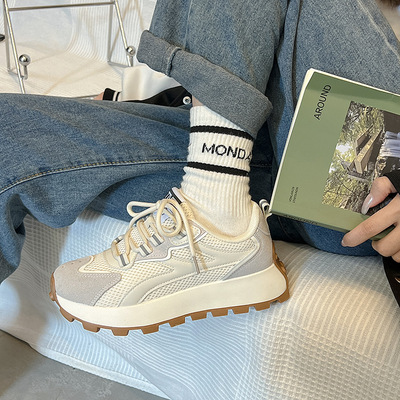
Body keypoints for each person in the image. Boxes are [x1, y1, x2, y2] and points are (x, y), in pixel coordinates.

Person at [1, 0, 400, 334]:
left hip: (373, 191)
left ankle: (214, 214)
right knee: (8, 129)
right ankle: (217, 203)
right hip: (277, 160)